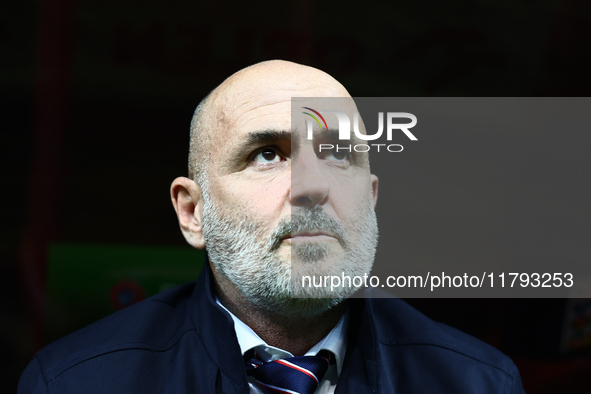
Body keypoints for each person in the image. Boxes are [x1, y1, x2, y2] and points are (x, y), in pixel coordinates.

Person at [18, 60, 525, 393]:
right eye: (267, 154)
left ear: (370, 200)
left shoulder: (479, 382)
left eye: (337, 153)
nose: (312, 187)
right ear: (193, 212)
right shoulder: (75, 382)